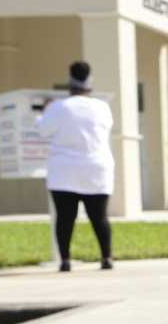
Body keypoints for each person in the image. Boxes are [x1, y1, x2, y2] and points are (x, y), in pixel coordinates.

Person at [40, 60, 116, 271]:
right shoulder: (102, 107)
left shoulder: (57, 107)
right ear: (89, 83)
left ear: (69, 82)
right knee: (99, 217)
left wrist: (45, 111)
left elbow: (43, 130)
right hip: (96, 168)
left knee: (65, 218)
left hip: (64, 171)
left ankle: (65, 260)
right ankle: (106, 257)